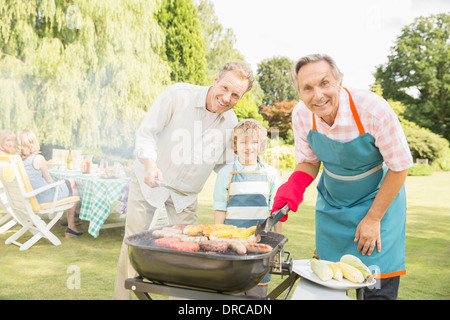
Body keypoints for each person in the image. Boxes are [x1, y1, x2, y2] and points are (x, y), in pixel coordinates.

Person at [271, 54, 413, 300]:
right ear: (299, 92)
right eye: (307, 88)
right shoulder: (302, 115)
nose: (317, 95)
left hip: (378, 203)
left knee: (375, 288)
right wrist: (292, 188)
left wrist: (373, 218)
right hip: (333, 206)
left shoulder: (372, 109)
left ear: (339, 82)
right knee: (325, 285)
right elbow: (308, 161)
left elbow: (399, 166)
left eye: (324, 83)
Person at [113, 60, 255, 300]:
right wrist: (150, 164)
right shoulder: (178, 95)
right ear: (215, 79)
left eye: (235, 95)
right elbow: (147, 133)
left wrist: (246, 182)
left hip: (186, 194)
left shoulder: (230, 123)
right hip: (149, 180)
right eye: (225, 88)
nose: (227, 98)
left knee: (189, 256)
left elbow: (224, 167)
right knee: (133, 245)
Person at [213, 119, 281, 298]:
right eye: (243, 142)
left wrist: (279, 242)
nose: (248, 147)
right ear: (235, 145)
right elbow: (220, 209)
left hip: (260, 243)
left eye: (254, 142)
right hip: (232, 241)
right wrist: (217, 240)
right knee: (232, 290)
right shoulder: (225, 173)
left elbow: (276, 212)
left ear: (261, 145)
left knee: (257, 292)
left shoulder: (271, 174)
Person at [14, 129, 82, 238]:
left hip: (29, 198)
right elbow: (49, 180)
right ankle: (71, 225)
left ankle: (67, 217)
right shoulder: (38, 158)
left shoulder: (17, 161)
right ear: (33, 142)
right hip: (43, 197)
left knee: (69, 184)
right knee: (72, 183)